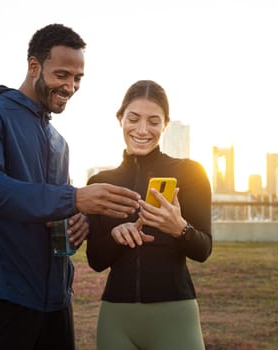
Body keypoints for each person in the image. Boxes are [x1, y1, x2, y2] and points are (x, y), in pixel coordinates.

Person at [0, 24, 141, 350]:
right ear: (34, 67)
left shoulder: (60, 142)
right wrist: (74, 198)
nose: (70, 86)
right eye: (62, 74)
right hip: (0, 300)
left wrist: (77, 219)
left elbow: (56, 209)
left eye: (78, 78)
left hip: (56, 304)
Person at [86, 80, 212, 350]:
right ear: (120, 119)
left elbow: (203, 250)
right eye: (133, 119)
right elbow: (95, 260)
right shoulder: (100, 182)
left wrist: (180, 228)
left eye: (154, 121)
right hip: (116, 318)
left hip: (175, 316)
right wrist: (115, 237)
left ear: (165, 124)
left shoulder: (191, 172)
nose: (142, 130)